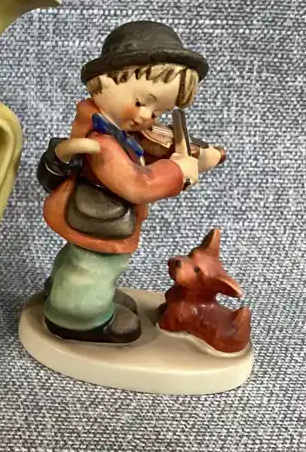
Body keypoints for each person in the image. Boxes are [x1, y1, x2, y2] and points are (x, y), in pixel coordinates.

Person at [36, 21, 225, 343]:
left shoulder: (120, 131)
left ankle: (62, 291)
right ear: (104, 82)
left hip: (97, 215)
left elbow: (151, 148)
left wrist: (200, 156)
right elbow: (137, 185)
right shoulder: (102, 142)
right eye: (141, 102)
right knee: (96, 265)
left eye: (158, 111)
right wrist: (177, 170)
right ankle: (77, 315)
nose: (147, 117)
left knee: (79, 258)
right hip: (102, 220)